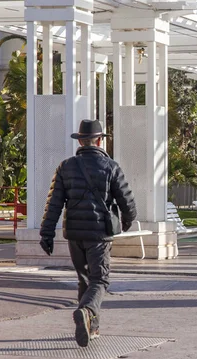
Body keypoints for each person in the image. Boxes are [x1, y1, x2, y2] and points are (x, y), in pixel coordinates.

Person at [39, 119, 137, 347]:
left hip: (74, 232)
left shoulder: (66, 166)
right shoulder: (111, 167)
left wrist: (46, 234)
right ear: (100, 140)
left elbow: (53, 203)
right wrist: (128, 219)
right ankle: (87, 311)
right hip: (99, 233)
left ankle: (92, 327)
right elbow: (127, 200)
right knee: (100, 280)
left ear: (81, 140)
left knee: (84, 279)